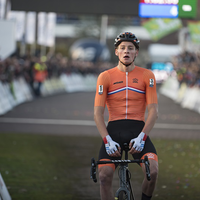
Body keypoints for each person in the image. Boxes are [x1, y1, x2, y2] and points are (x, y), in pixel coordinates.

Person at [94, 32, 158, 200]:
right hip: (113, 132)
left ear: (136, 52)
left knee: (153, 171)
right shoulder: (105, 76)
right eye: (122, 48)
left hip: (138, 132)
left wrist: (142, 138)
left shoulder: (147, 75)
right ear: (116, 52)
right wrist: (107, 140)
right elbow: (97, 113)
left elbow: (153, 112)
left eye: (130, 48)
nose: (126, 51)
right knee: (104, 176)